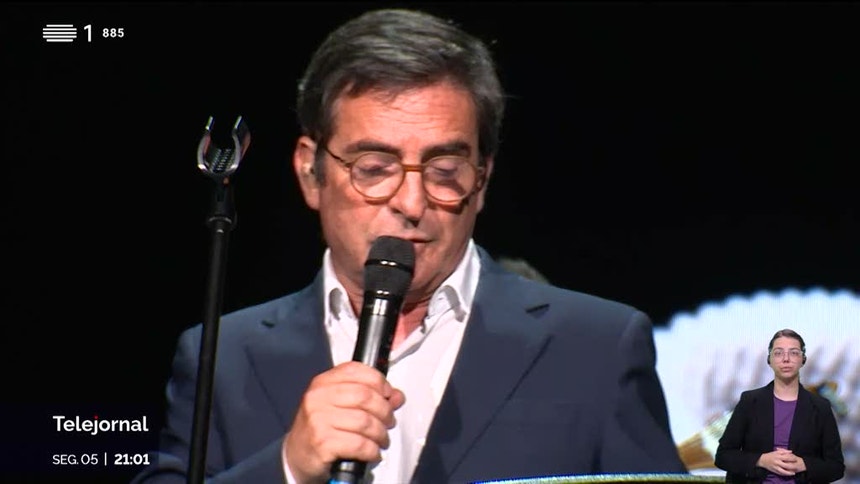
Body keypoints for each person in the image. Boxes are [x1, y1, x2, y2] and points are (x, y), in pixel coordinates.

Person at [133, 8, 686, 483]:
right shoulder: (222, 357)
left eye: (445, 170)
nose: (412, 202)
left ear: (482, 179)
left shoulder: (596, 347)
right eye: (375, 168)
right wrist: (288, 467)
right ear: (310, 172)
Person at [714, 329, 845, 483]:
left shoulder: (820, 407)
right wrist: (761, 460)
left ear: (803, 359)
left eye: (794, 353)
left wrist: (804, 464)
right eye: (778, 353)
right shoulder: (750, 401)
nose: (786, 359)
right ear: (769, 360)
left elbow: (836, 467)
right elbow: (723, 456)